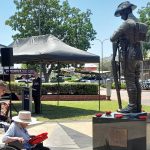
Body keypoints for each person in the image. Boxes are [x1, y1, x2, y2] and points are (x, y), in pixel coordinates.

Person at [110, 1, 148, 113]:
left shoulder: (127, 23)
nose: (121, 17)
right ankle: (137, 106)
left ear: (126, 11)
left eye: (122, 14)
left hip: (129, 54)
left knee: (129, 79)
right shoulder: (138, 22)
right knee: (136, 80)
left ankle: (132, 106)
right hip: (138, 54)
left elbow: (112, 37)